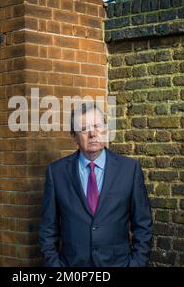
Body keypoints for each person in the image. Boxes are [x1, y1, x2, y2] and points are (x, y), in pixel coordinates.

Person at [39, 102, 153, 267]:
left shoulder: (129, 169)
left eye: (97, 126)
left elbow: (143, 225)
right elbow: (48, 229)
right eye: (84, 128)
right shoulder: (57, 173)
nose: (92, 134)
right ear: (73, 136)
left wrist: (136, 263)